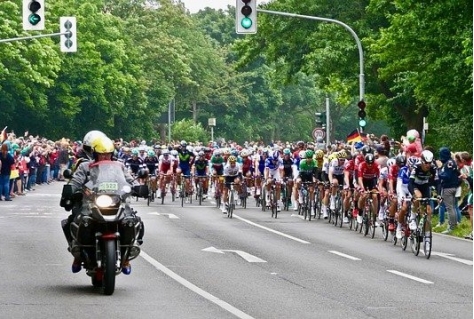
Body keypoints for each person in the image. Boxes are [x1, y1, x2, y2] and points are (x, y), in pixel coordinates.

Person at [63, 135, 143, 274]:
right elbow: (76, 181)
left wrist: (138, 187)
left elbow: (129, 180)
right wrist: (72, 189)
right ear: (95, 154)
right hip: (91, 202)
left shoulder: (119, 166)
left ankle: (126, 257)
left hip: (117, 201)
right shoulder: (85, 166)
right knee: (75, 220)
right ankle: (77, 254)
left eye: (107, 154)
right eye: (101, 154)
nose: (105, 157)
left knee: (133, 220)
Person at [438, 147, 460, 234]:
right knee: (453, 207)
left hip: (448, 188)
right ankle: (454, 224)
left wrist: (439, 175)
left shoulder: (448, 163)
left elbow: (447, 176)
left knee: (449, 208)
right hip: (454, 187)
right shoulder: (452, 162)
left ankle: (452, 226)